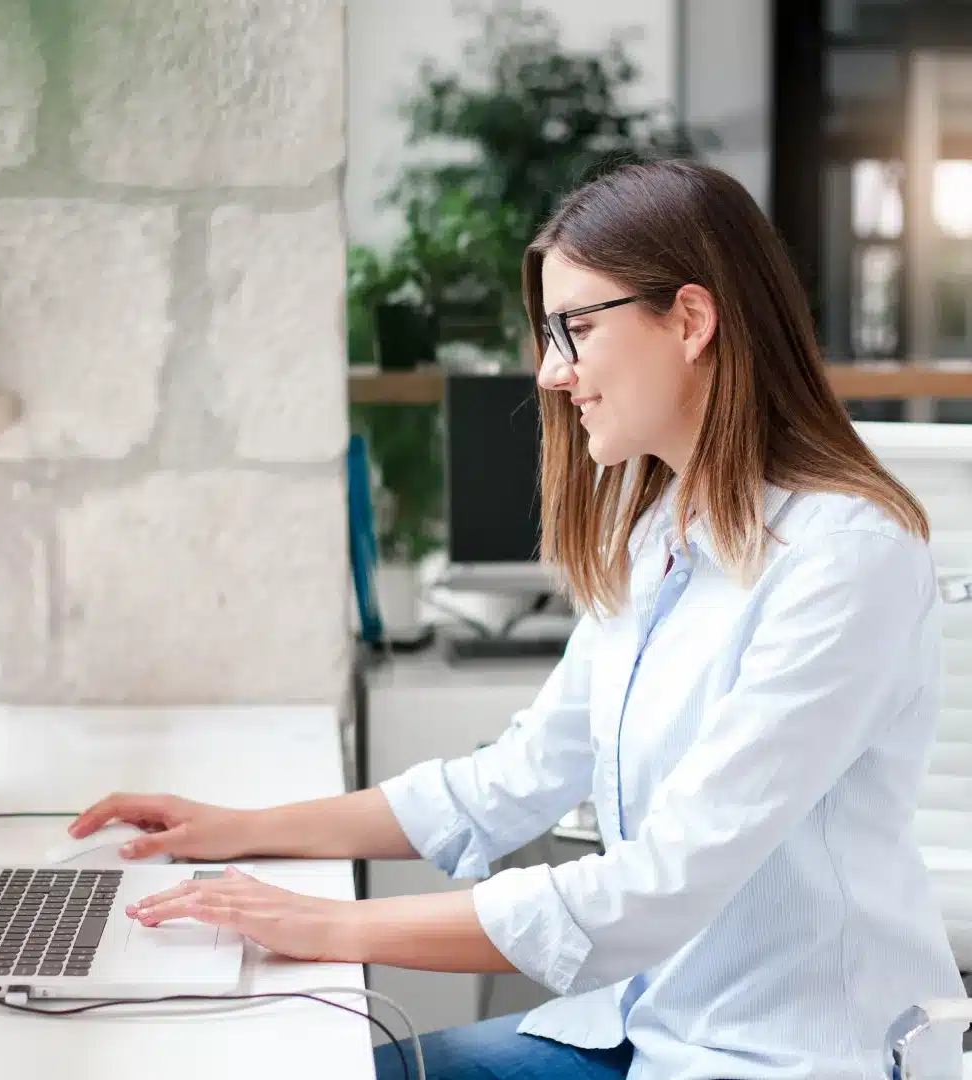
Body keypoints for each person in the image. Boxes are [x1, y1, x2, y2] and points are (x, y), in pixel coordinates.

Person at [68, 160, 965, 1080]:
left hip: (780, 1058)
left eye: (575, 329)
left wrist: (326, 926)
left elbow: (653, 891)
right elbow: (512, 778)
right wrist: (238, 827)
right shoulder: (658, 524)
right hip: (640, 1026)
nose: (549, 371)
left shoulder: (847, 558)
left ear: (691, 321)